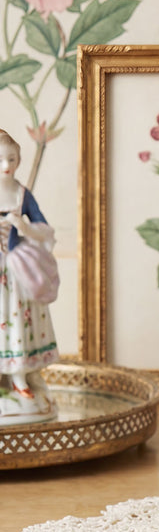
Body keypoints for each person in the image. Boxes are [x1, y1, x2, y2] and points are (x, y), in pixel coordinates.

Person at [0, 128, 59, 419]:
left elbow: (44, 228)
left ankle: (20, 374)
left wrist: (23, 227)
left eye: (11, 159)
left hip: (14, 268)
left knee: (16, 319)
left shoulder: (22, 194)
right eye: (0, 160)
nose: (6, 165)